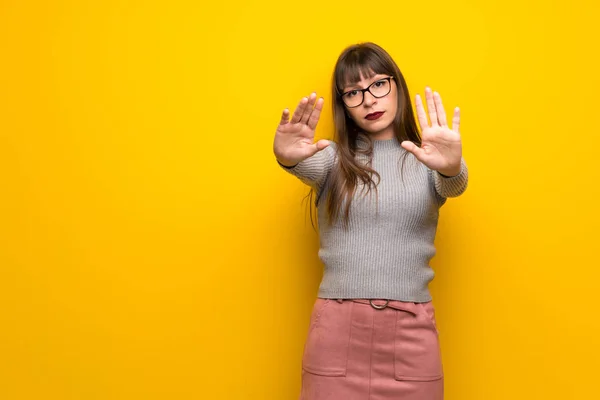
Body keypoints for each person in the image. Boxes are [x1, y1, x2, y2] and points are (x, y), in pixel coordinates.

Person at [273, 42, 468, 400]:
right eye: (353, 92)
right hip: (337, 332)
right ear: (343, 105)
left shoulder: (429, 158)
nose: (368, 99)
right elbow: (303, 164)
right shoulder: (332, 158)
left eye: (378, 84)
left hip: (411, 335)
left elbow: (454, 184)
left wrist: (452, 163)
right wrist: (286, 157)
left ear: (397, 86)